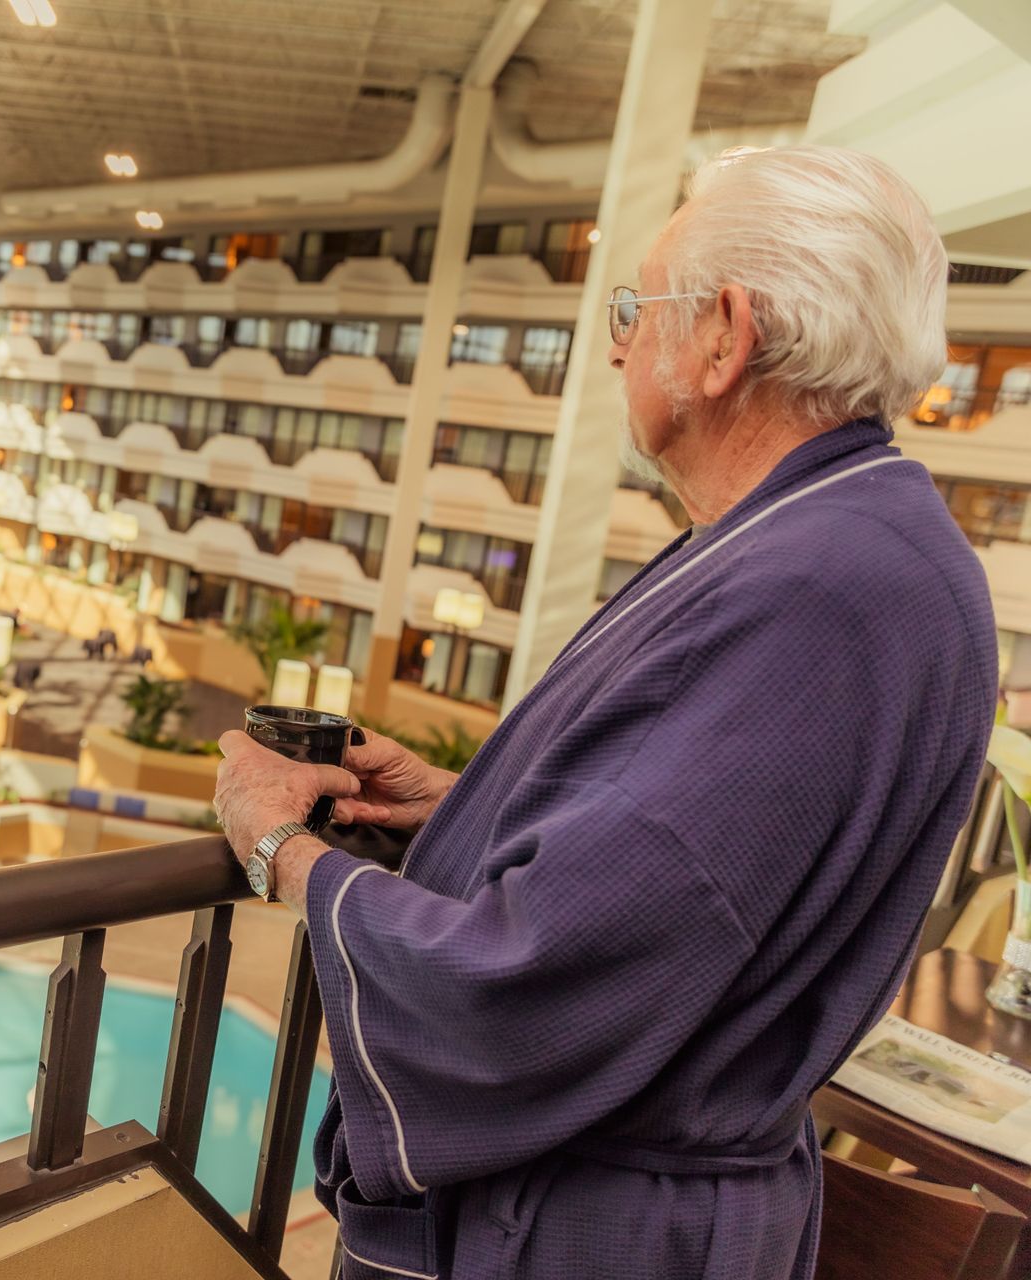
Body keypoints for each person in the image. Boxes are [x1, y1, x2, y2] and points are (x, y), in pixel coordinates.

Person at [213, 145, 997, 1280]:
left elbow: (534, 977)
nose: (620, 337)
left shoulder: (819, 587)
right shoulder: (842, 538)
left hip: (586, 1236)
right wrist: (459, 811)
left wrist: (281, 843)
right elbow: (684, 875)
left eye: (638, 303)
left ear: (725, 335)